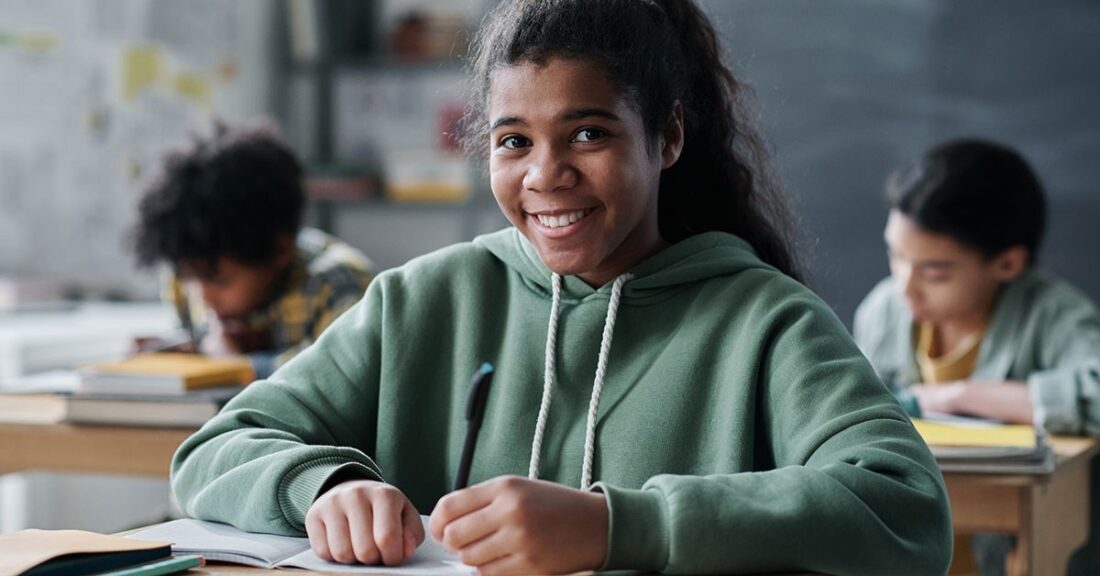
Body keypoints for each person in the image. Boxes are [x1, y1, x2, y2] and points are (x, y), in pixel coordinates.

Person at [171, 1, 952, 574]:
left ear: (669, 136)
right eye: (514, 141)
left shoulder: (763, 321)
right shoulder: (422, 301)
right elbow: (213, 452)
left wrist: (623, 527)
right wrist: (323, 485)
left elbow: (907, 509)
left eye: (589, 133)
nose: (547, 175)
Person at [853, 138, 1100, 575]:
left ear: (1007, 264)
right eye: (896, 256)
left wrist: (956, 396)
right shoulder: (884, 310)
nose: (906, 286)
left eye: (935, 271)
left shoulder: (1053, 314)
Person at [132, 123, 375, 379]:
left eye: (222, 281)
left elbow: (341, 376)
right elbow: (205, 343)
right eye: (190, 277)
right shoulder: (188, 278)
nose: (203, 297)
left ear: (280, 250)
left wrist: (240, 365)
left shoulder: (339, 288)